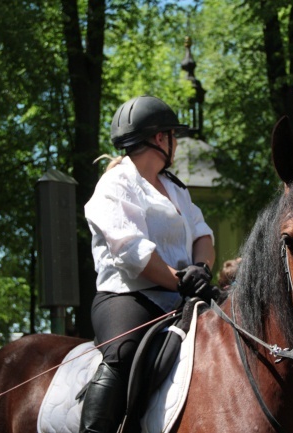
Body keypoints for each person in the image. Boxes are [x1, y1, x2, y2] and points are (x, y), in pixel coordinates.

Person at [79, 95, 216, 433]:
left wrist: (201, 268)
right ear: (160, 138)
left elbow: (202, 234)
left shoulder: (175, 188)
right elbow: (133, 252)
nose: (176, 145)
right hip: (129, 297)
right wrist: (180, 281)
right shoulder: (114, 185)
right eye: (174, 136)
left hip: (184, 294)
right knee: (122, 356)